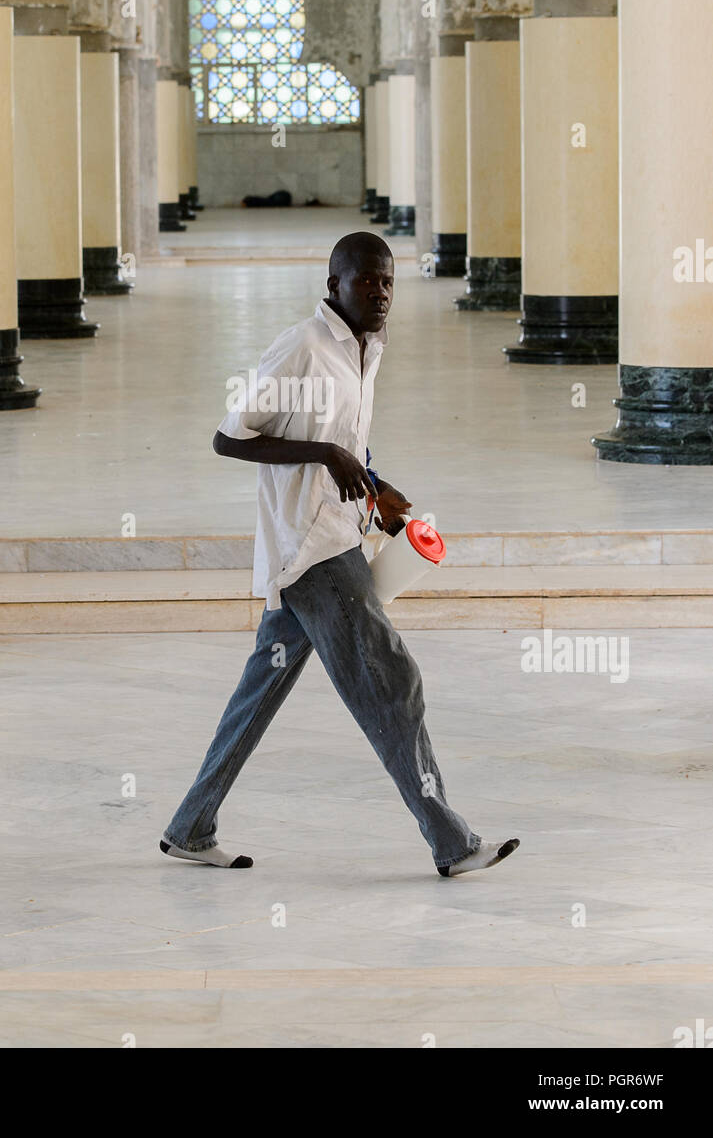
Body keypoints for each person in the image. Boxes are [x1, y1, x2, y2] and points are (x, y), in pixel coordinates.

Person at [161, 232, 519, 878]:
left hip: (339, 532)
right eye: (365, 282)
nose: (379, 293)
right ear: (333, 287)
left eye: (387, 282)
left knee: (257, 694)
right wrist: (325, 457)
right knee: (392, 683)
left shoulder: (365, 349)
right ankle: (452, 843)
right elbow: (229, 438)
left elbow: (344, 440)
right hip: (312, 549)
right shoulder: (302, 346)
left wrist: (374, 492)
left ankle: (190, 825)